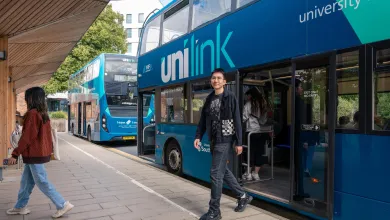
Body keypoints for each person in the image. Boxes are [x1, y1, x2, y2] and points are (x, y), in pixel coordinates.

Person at [6, 87, 74, 218]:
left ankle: (62, 204)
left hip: (34, 154)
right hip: (37, 154)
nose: (26, 100)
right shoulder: (42, 113)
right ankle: (20, 206)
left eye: (27, 97)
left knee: (42, 181)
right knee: (26, 182)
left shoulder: (32, 114)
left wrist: (15, 154)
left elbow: (27, 137)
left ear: (32, 98)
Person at [194, 68, 252, 220]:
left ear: (224, 82)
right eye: (214, 78)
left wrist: (239, 142)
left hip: (225, 140)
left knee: (215, 174)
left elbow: (237, 120)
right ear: (211, 81)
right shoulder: (209, 98)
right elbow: (202, 121)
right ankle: (243, 195)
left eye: (219, 78)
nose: (216, 80)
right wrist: (198, 136)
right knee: (222, 171)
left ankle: (215, 211)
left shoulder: (230, 97)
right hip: (213, 140)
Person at [242, 87, 271, 181]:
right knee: (259, 152)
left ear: (250, 95)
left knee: (250, 152)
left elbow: (243, 117)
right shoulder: (262, 104)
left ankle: (248, 174)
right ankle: (256, 173)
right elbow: (263, 121)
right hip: (259, 131)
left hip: (250, 131)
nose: (247, 97)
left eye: (247, 95)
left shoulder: (248, 104)